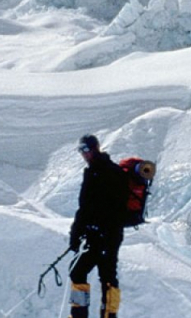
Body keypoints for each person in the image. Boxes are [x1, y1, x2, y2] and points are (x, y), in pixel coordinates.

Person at [68, 134, 126, 318]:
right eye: (81, 150)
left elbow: (86, 207)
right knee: (92, 274)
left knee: (103, 276)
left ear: (96, 148)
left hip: (104, 234)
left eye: (86, 149)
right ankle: (89, 314)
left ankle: (86, 315)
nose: (84, 154)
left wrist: (77, 234)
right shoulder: (109, 171)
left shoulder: (100, 172)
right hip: (106, 234)